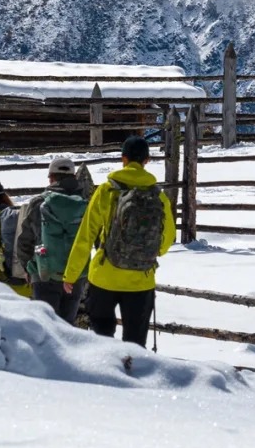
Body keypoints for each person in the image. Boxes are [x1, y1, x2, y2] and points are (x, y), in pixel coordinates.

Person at [62, 135, 175, 348]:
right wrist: (146, 251)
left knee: (102, 340)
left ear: (123, 158)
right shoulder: (157, 195)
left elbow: (86, 235)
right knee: (135, 345)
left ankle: (106, 367)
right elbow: (168, 238)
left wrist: (71, 274)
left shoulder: (107, 190)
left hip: (104, 277)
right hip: (142, 279)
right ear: (147, 160)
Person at [14, 155, 88, 324]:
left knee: (46, 328)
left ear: (51, 178)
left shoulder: (39, 202)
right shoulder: (85, 203)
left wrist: (29, 268)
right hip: (75, 276)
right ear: (73, 177)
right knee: (66, 328)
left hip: (43, 273)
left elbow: (25, 240)